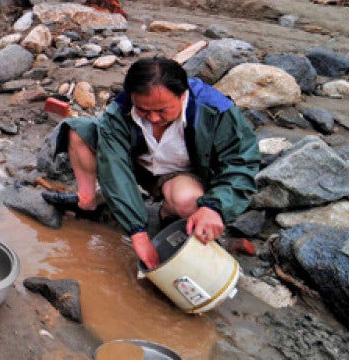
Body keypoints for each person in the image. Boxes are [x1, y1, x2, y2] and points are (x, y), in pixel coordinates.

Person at [46, 57, 260, 269]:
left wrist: (214, 207)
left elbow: (240, 163)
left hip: (180, 174)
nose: (153, 119)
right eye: (143, 110)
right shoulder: (120, 110)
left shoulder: (214, 110)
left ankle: (168, 212)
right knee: (78, 131)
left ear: (183, 95)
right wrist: (137, 231)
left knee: (189, 202)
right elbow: (115, 167)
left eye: (162, 111)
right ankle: (87, 201)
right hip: (138, 164)